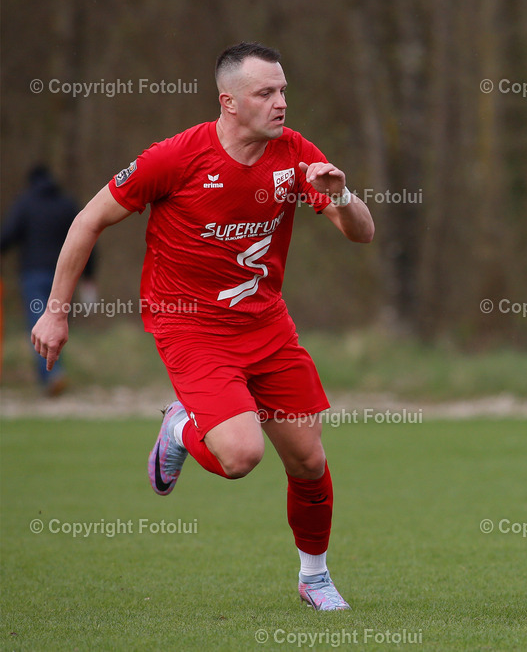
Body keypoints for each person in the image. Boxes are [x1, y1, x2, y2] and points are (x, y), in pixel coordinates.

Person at [31, 42, 374, 611]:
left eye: (283, 89)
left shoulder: (295, 156)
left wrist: (342, 197)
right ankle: (179, 430)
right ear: (230, 102)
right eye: (266, 93)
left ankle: (314, 577)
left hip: (266, 325)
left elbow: (361, 233)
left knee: (309, 461)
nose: (281, 102)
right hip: (189, 326)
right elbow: (88, 218)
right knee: (240, 456)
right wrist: (56, 309)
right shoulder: (177, 158)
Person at [1, 165, 97, 395]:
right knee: (57, 323)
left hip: (33, 274)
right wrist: (89, 277)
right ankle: (53, 375)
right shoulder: (67, 205)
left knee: (39, 324)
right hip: (64, 277)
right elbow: (88, 238)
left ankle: (52, 375)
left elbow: (7, 236)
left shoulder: (25, 203)